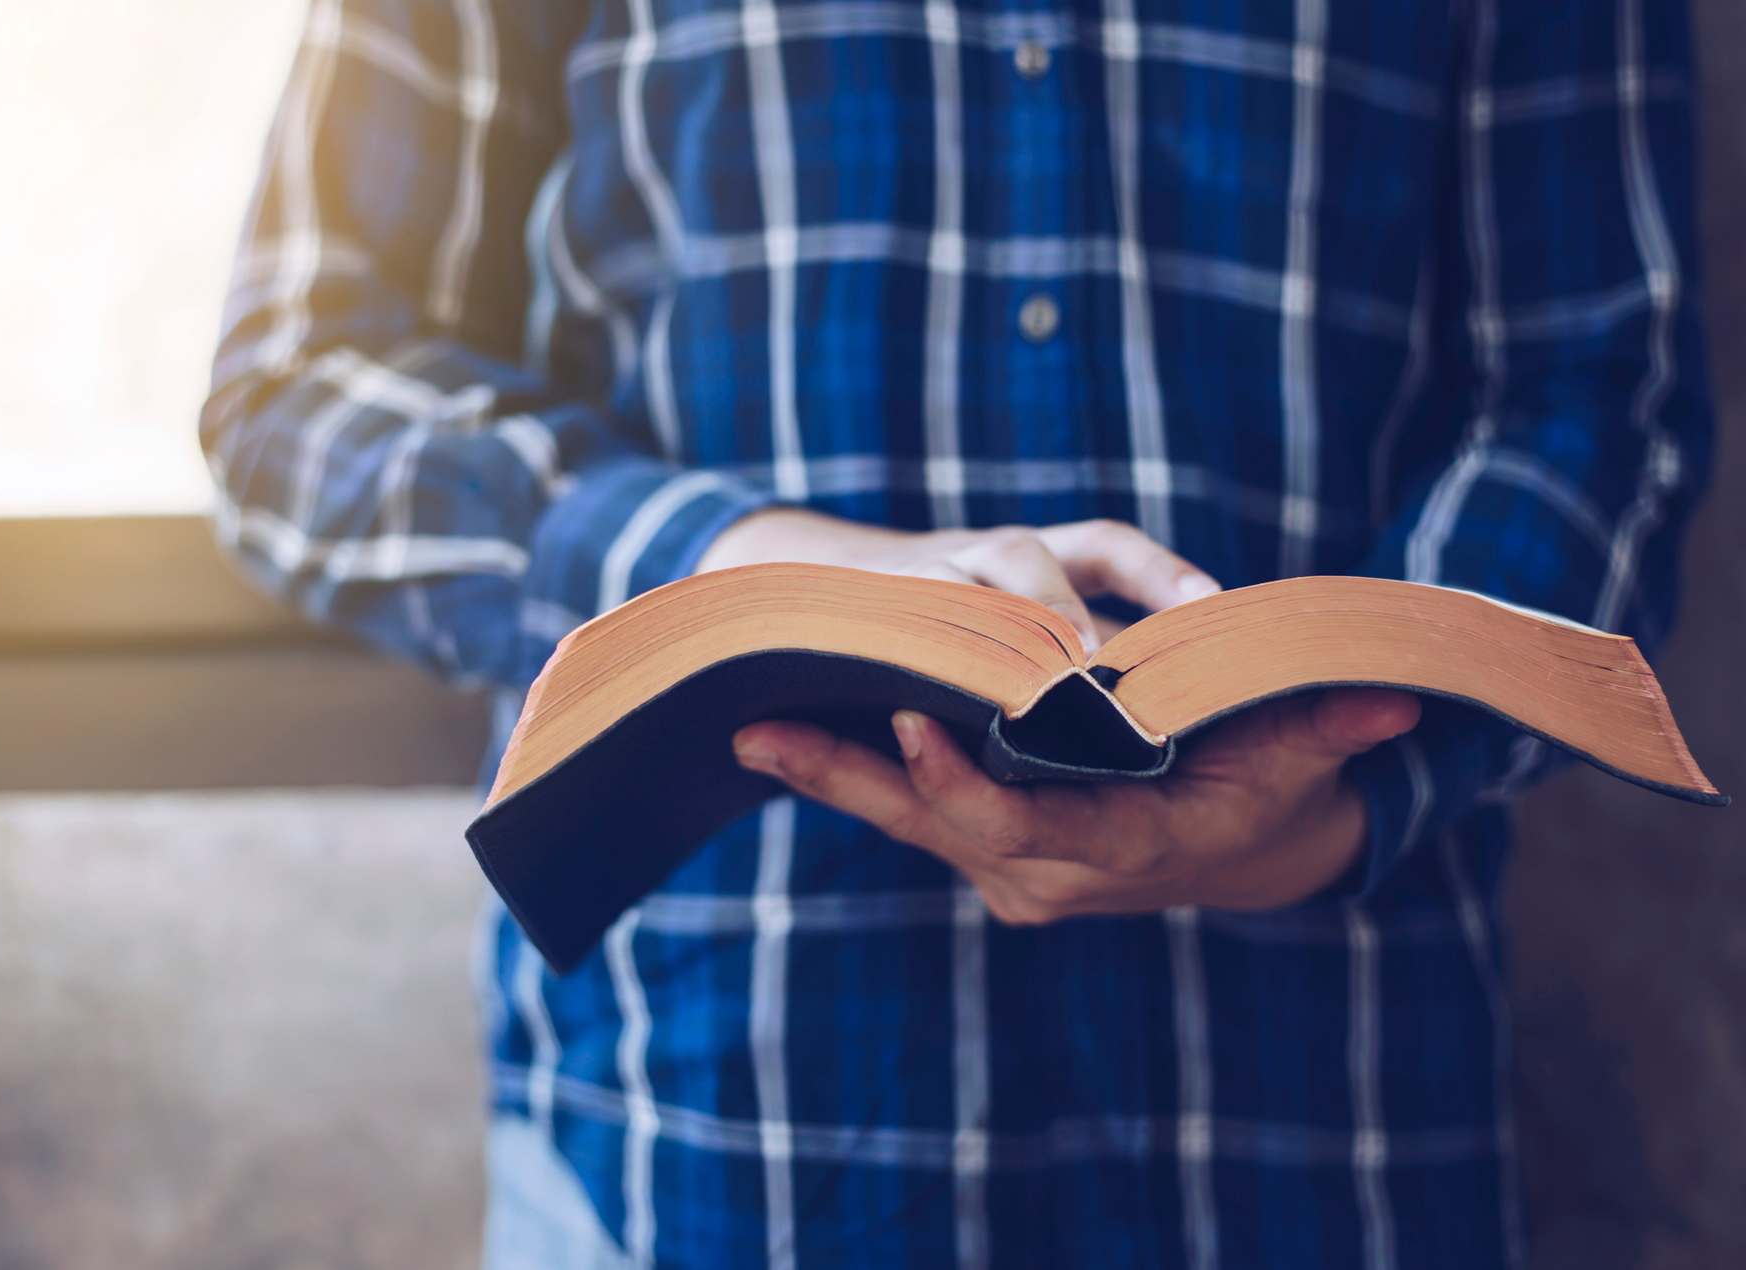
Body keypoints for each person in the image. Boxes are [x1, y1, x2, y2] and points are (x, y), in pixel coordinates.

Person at [202, 0, 1711, 1264]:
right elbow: (304, 389)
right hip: (696, 1148)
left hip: (1331, 1119)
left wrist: (1346, 794)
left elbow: (1602, 397)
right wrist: (769, 576)